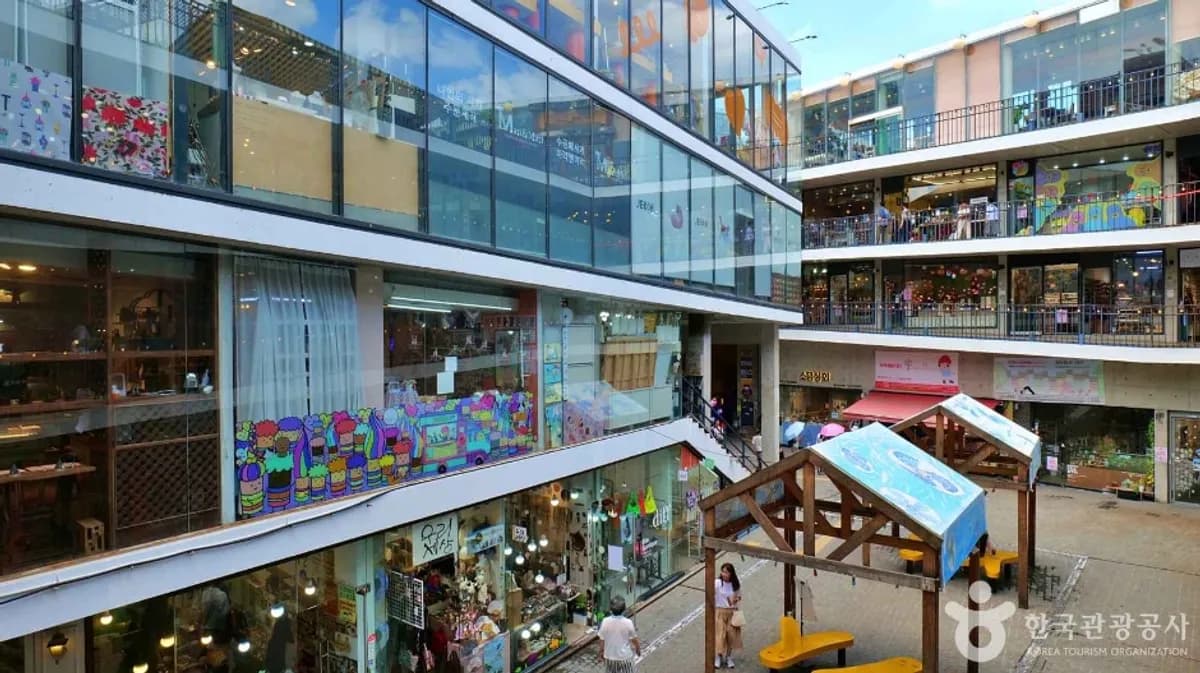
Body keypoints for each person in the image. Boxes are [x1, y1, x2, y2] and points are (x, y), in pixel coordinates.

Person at [598, 596, 641, 673]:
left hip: (610, 656)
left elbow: (602, 639)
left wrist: (601, 652)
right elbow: (634, 639)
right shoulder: (628, 623)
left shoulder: (605, 622)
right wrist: (638, 649)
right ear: (624, 609)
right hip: (625, 657)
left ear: (611, 609)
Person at [713, 563, 743, 668]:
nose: (724, 574)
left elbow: (739, 596)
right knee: (720, 635)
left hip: (732, 611)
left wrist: (735, 600)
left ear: (731, 573)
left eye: (726, 572)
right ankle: (718, 656)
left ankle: (728, 657)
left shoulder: (735, 584)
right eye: (723, 571)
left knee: (731, 636)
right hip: (720, 611)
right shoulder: (717, 583)